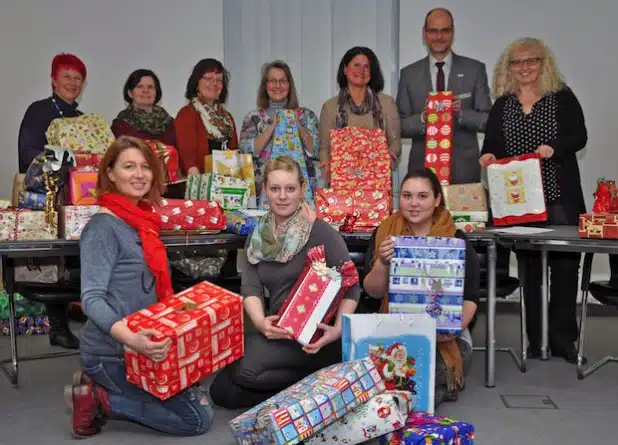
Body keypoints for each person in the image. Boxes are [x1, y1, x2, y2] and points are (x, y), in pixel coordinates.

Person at [65, 136, 214, 438]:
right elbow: (91, 300)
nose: (139, 174)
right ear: (110, 173)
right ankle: (99, 398)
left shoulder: (142, 221)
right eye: (129, 166)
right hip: (113, 352)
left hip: (144, 345)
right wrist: (133, 340)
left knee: (196, 395)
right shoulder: (102, 228)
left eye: (146, 166)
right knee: (197, 419)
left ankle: (116, 393)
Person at [209, 156, 360, 409]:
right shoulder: (257, 236)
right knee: (221, 392)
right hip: (282, 328)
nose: (282, 196)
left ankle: (319, 374)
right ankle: (310, 390)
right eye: (275, 189)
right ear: (264, 190)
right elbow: (251, 286)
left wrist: (338, 330)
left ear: (302, 189)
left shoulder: (321, 232)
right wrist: (259, 322)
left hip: (319, 336)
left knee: (244, 371)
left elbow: (352, 285)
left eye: (290, 189)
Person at [480, 37, 587, 363]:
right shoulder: (503, 104)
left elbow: (579, 135)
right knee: (531, 272)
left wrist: (555, 148)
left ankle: (564, 341)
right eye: (517, 62)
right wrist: (487, 157)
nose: (524, 67)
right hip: (520, 204)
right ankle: (536, 340)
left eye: (532, 61)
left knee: (566, 270)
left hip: (559, 197)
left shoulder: (562, 97)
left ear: (544, 64)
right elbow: (492, 144)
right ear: (508, 68)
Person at [362, 168, 479, 409]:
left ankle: (406, 405)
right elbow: (372, 292)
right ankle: (419, 399)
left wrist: (443, 331)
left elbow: (469, 300)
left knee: (409, 373)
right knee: (387, 372)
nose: (413, 204)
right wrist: (383, 264)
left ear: (437, 200)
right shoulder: (385, 233)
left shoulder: (457, 240)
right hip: (392, 333)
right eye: (407, 196)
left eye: (423, 196)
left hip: (447, 340)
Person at [17, 53, 88, 350]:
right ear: (53, 79)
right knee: (54, 261)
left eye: (77, 78)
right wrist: (67, 161)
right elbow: (28, 156)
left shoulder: (86, 120)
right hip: (46, 197)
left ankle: (73, 321)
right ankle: (58, 326)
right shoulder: (38, 111)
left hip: (78, 199)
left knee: (78, 259)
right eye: (66, 76)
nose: (72, 82)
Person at [397, 8, 491, 183]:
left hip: (464, 170)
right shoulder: (408, 74)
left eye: (445, 30)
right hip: (422, 170)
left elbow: (487, 120)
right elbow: (399, 126)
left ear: (453, 32)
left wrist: (461, 113)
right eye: (433, 31)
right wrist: (424, 118)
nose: (439, 37)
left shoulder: (475, 70)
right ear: (424, 34)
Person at [239, 60, 319, 206]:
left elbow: (315, 150)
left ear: (289, 85)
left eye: (282, 81)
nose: (277, 86)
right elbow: (247, 152)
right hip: (262, 195)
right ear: (265, 85)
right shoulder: (253, 117)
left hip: (302, 196)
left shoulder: (307, 116)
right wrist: (274, 125)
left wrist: (296, 122)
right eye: (272, 81)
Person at [319, 46, 401, 184]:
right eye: (356, 65)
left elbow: (395, 144)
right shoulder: (330, 107)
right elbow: (324, 148)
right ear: (345, 69)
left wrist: (386, 158)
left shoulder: (387, 103)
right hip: (341, 183)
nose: (361, 71)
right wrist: (326, 165)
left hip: (377, 183)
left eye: (366, 67)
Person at [175, 58, 238, 176]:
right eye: (208, 78)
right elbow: (188, 162)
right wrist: (200, 189)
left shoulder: (227, 118)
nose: (214, 83)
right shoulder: (187, 114)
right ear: (196, 82)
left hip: (228, 187)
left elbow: (235, 157)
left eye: (219, 80)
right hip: (201, 187)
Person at [111, 69, 176, 146]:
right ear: (130, 93)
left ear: (156, 92)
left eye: (150, 87)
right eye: (139, 86)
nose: (145, 90)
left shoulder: (169, 122)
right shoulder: (120, 125)